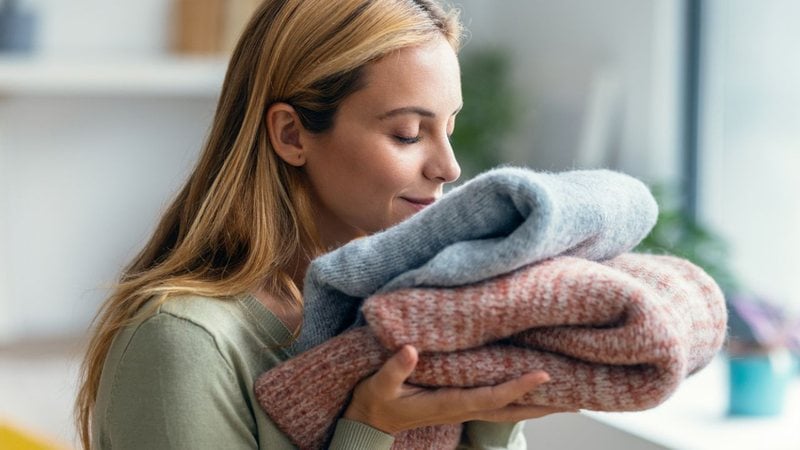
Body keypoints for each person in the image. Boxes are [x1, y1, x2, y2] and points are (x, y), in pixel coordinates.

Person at [75, 0, 569, 448]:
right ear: (292, 134)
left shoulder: (404, 311)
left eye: (450, 128)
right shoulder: (182, 343)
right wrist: (369, 427)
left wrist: (490, 414)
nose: (450, 167)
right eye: (408, 133)